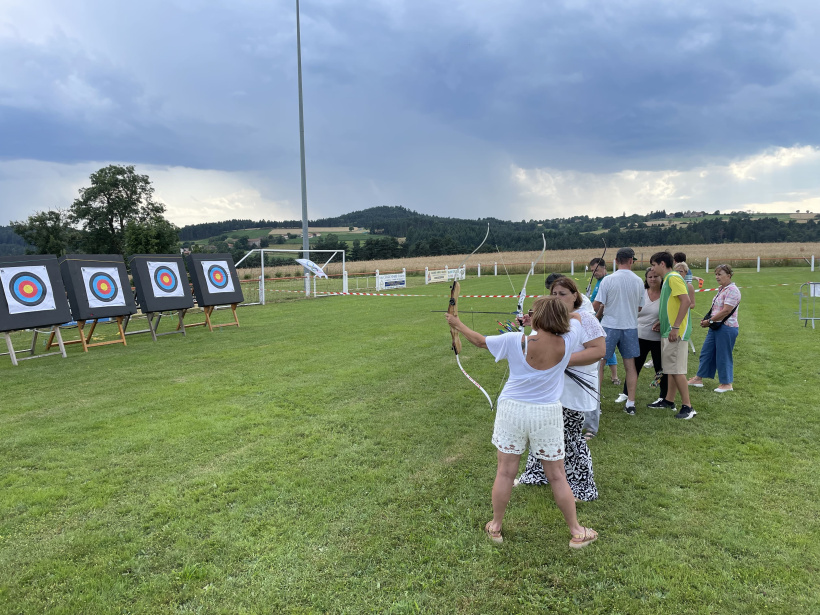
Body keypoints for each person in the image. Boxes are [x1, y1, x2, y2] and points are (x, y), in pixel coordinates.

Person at [445, 296, 598, 549]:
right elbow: (578, 317)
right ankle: (576, 532)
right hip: (546, 413)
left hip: (512, 410)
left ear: (537, 318)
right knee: (558, 476)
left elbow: (480, 341)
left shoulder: (515, 340)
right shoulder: (569, 340)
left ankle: (495, 527)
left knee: (505, 472)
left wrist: (456, 323)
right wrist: (548, 316)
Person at [515, 277, 606, 499]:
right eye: (553, 294)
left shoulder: (586, 318)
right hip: (549, 389)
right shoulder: (553, 318)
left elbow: (598, 349)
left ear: (575, 296)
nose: (557, 298)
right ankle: (537, 474)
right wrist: (533, 323)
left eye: (563, 294)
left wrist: (563, 360)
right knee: (542, 433)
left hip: (574, 389)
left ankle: (582, 487)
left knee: (571, 438)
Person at [592, 247, 644, 415]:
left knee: (600, 364)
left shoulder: (608, 280)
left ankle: (596, 403)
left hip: (609, 326)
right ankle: (631, 403)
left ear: (616, 261)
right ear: (631, 261)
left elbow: (597, 304)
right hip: (630, 327)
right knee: (630, 366)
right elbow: (640, 307)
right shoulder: (638, 280)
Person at [647, 252, 695, 419]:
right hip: (669, 330)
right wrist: (664, 321)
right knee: (671, 369)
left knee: (677, 370)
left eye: (653, 265)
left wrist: (675, 327)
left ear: (661, 264)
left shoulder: (673, 277)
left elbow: (686, 301)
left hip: (676, 332)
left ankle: (688, 407)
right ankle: (669, 400)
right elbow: (672, 304)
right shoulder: (668, 279)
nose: (652, 269)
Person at [615, 267, 668, 406]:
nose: (652, 279)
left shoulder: (665, 294)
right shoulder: (642, 293)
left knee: (660, 368)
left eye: (655, 276)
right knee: (634, 366)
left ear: (661, 278)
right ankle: (626, 393)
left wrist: (662, 321)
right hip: (639, 336)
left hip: (658, 338)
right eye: (649, 276)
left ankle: (663, 396)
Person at [688, 264, 741, 392]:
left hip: (727, 327)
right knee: (706, 352)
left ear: (728, 275)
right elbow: (716, 309)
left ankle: (726, 383)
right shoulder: (721, 289)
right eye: (716, 274)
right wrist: (708, 320)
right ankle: (698, 378)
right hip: (715, 326)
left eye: (720, 274)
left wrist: (710, 321)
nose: (717, 277)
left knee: (723, 355)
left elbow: (726, 311)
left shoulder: (732, 290)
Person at [587, 258, 620, 384]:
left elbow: (602, 303)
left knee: (606, 347)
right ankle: (613, 376)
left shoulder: (606, 281)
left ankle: (614, 376)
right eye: (592, 270)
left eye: (596, 269)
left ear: (604, 268)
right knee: (605, 346)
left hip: (602, 319)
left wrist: (596, 317)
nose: (594, 272)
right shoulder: (599, 281)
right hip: (596, 318)